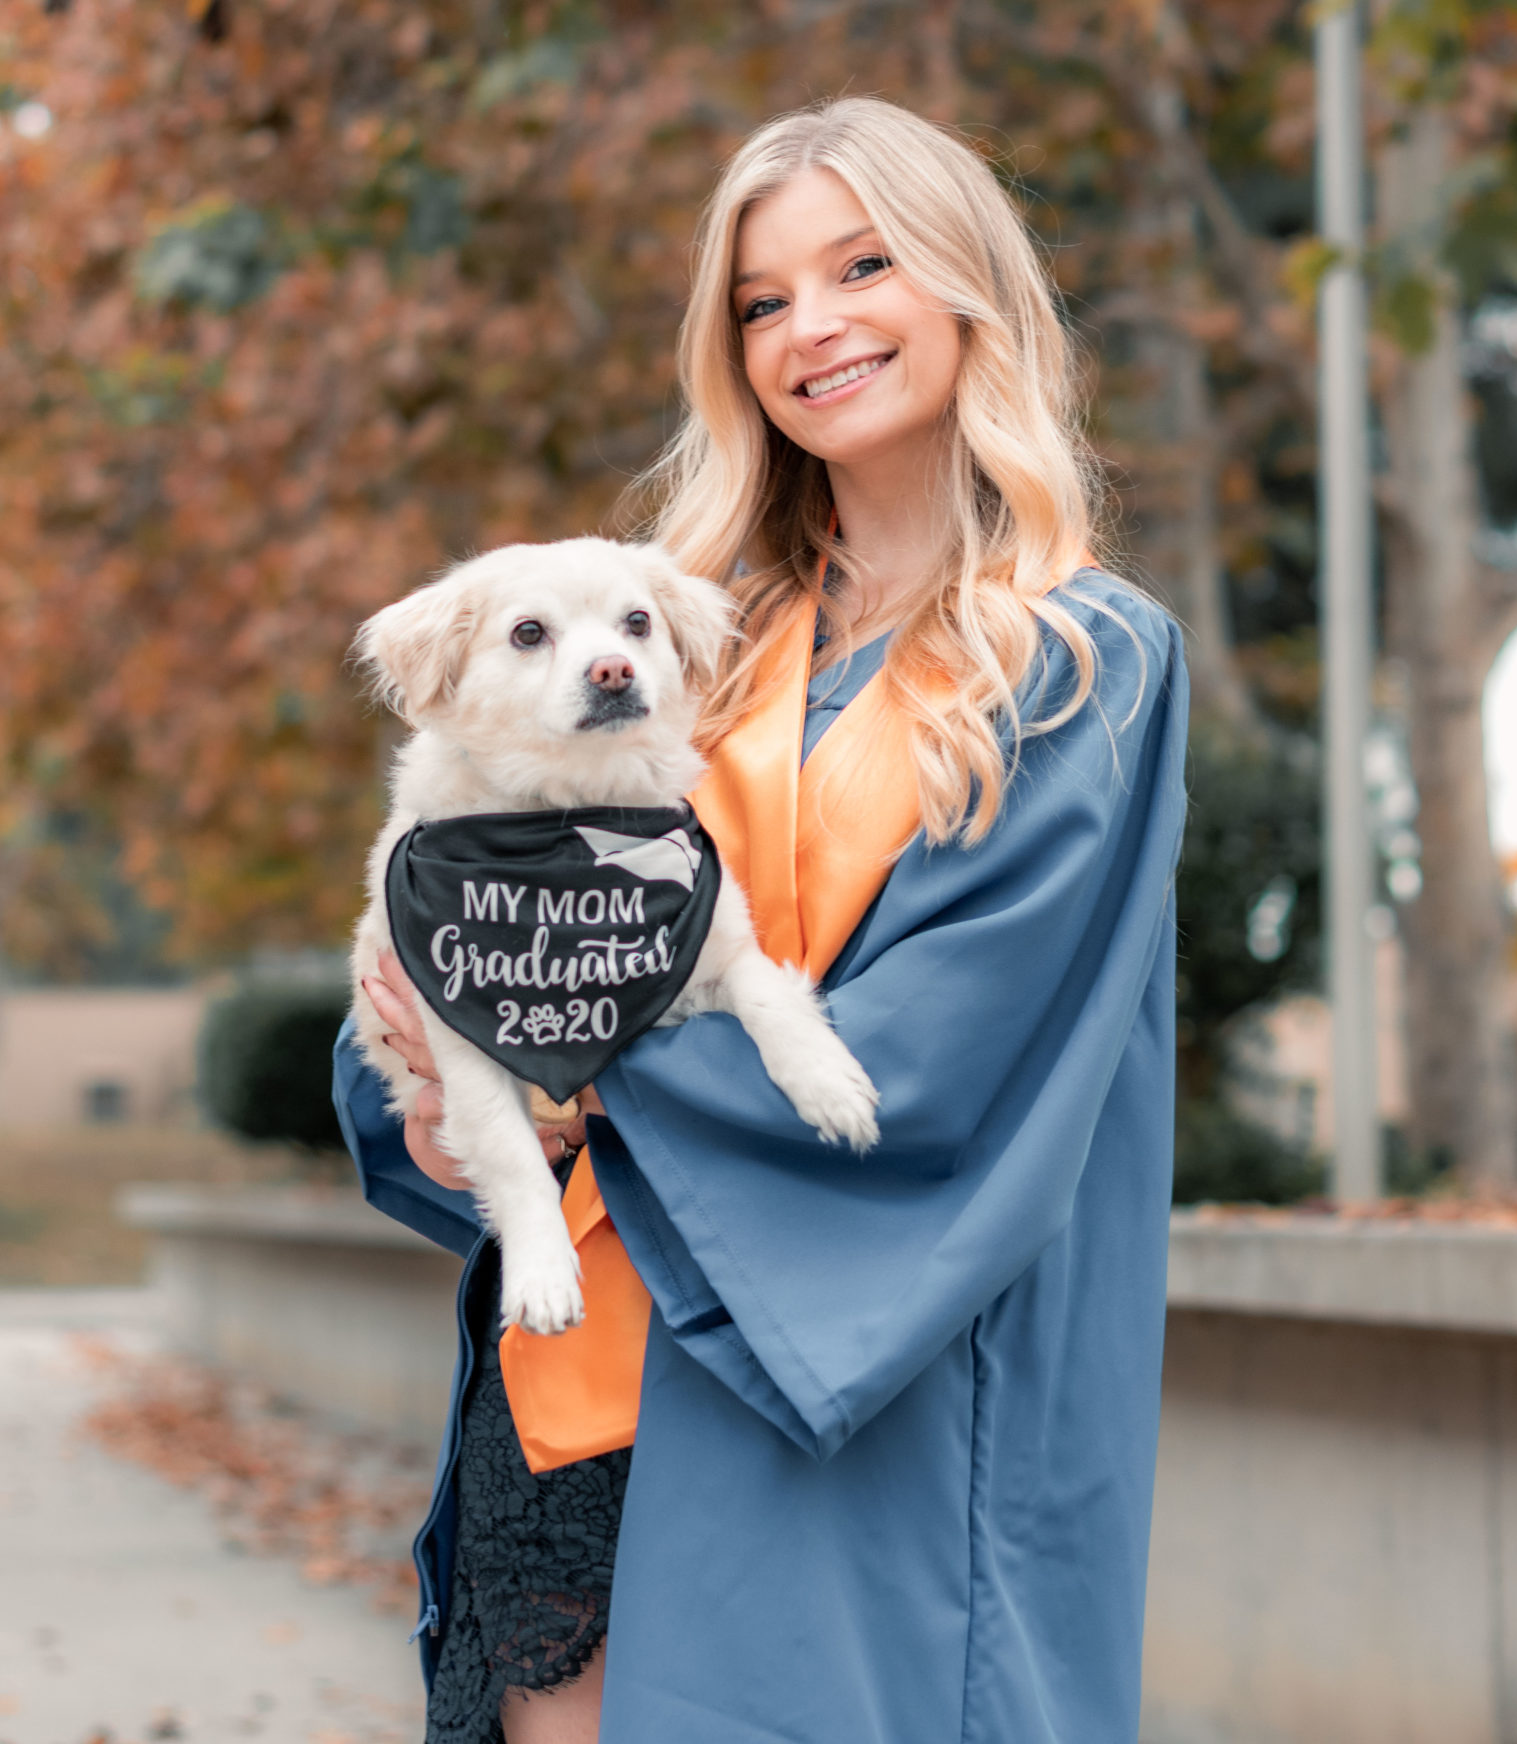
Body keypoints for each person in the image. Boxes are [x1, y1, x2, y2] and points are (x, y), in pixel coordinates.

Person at [335, 96, 1188, 1744]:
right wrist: (429, 1075)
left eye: (863, 266)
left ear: (967, 288)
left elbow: (946, 1067)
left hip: (860, 1395)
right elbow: (478, 922)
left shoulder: (1079, 662)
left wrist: (588, 1077)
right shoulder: (674, 642)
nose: (815, 327)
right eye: (762, 300)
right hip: (585, 1400)